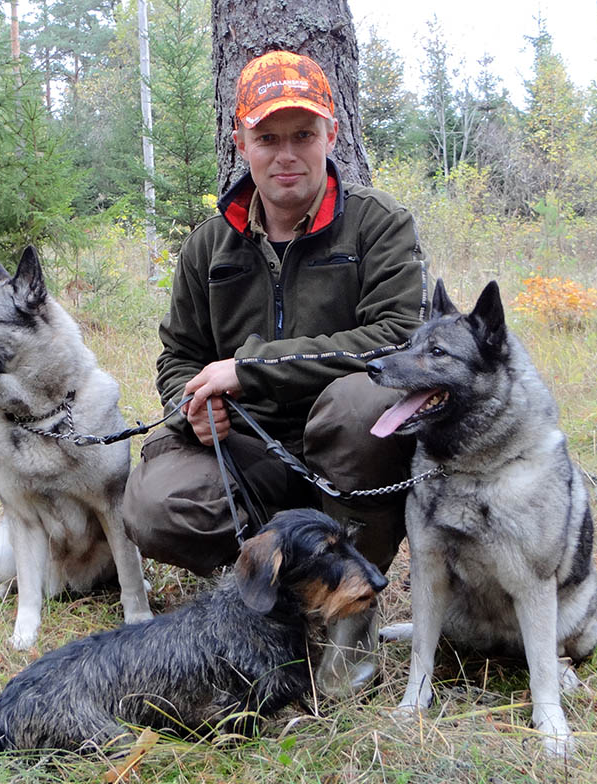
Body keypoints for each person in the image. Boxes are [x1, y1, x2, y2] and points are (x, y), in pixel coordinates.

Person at [122, 50, 428, 695]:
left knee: (358, 406)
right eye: (267, 138)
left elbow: (398, 339)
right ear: (241, 142)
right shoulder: (210, 244)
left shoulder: (379, 225)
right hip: (249, 452)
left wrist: (249, 369)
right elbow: (179, 353)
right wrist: (193, 405)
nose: (285, 154)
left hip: (349, 454)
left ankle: (350, 629)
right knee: (154, 505)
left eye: (302, 136)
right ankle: (268, 603)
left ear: (331, 137)